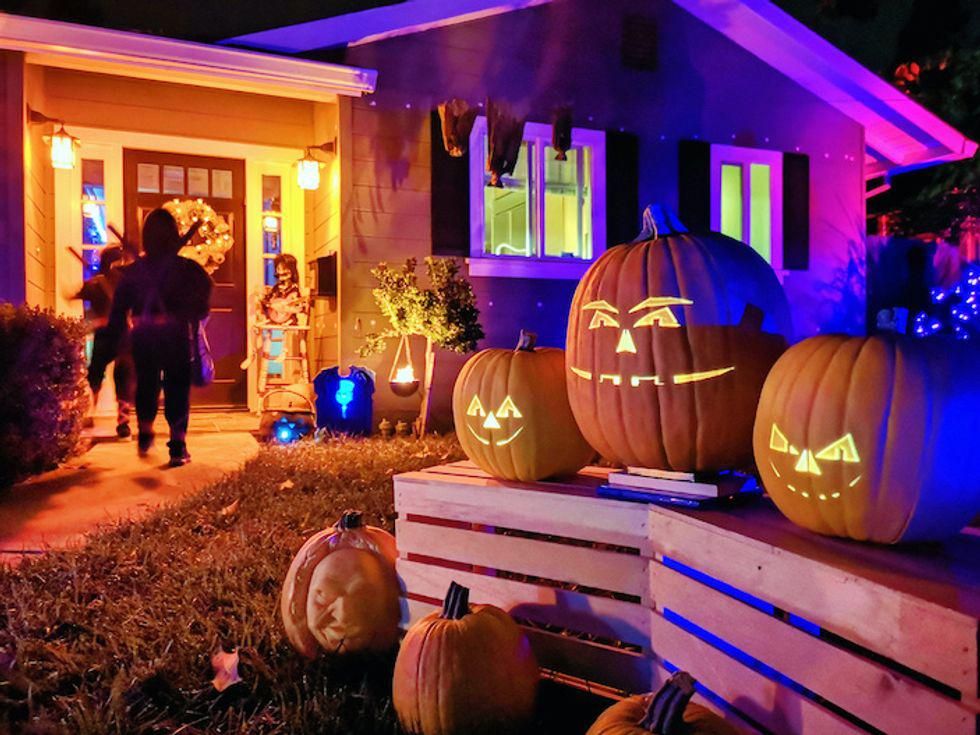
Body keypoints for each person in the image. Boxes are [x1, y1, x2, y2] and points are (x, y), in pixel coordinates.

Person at [106, 209, 211, 467]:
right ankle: (177, 445)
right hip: (175, 336)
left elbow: (120, 308)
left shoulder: (135, 272)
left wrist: (118, 338)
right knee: (176, 387)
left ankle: (145, 431)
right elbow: (202, 303)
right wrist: (185, 315)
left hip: (144, 336)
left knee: (147, 385)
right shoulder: (188, 270)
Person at [73, 244, 134, 437]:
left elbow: (75, 296)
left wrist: (97, 320)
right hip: (120, 334)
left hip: (112, 334)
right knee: (118, 375)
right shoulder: (123, 282)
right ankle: (120, 422)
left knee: (100, 374)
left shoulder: (97, 283)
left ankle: (95, 413)